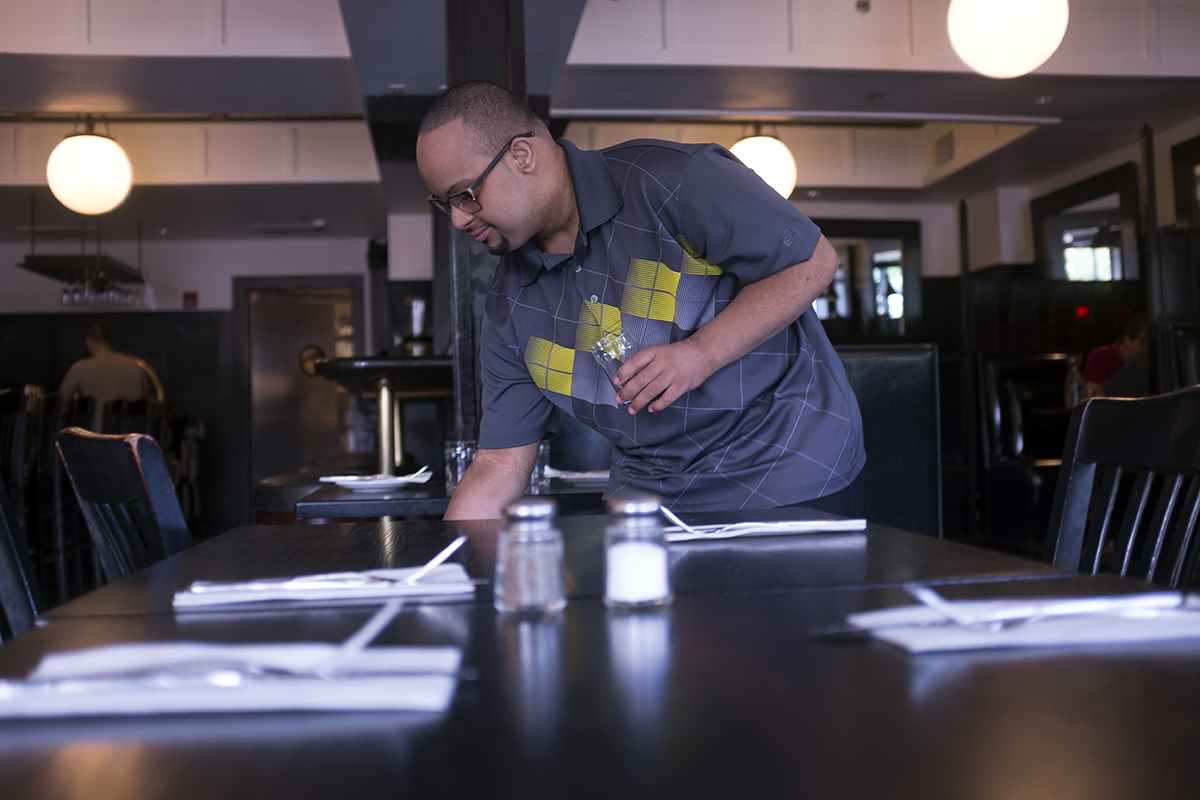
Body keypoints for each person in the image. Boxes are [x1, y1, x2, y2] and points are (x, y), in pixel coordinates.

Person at [416, 81, 865, 520]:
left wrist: (699, 354)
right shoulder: (507, 307)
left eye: (466, 195)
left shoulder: (672, 179)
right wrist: (449, 570)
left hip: (786, 468)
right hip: (649, 503)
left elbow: (814, 262)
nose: (457, 219)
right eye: (445, 204)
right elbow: (501, 464)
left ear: (521, 155)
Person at [59, 323, 151, 430]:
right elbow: (146, 401)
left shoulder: (80, 367)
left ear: (88, 342)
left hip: (99, 440)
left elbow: (60, 403)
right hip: (134, 440)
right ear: (111, 343)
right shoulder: (136, 365)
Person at [1082, 313, 1147, 398]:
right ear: (1128, 339)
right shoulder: (1101, 357)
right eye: (1144, 344)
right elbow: (1092, 397)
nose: (1146, 351)